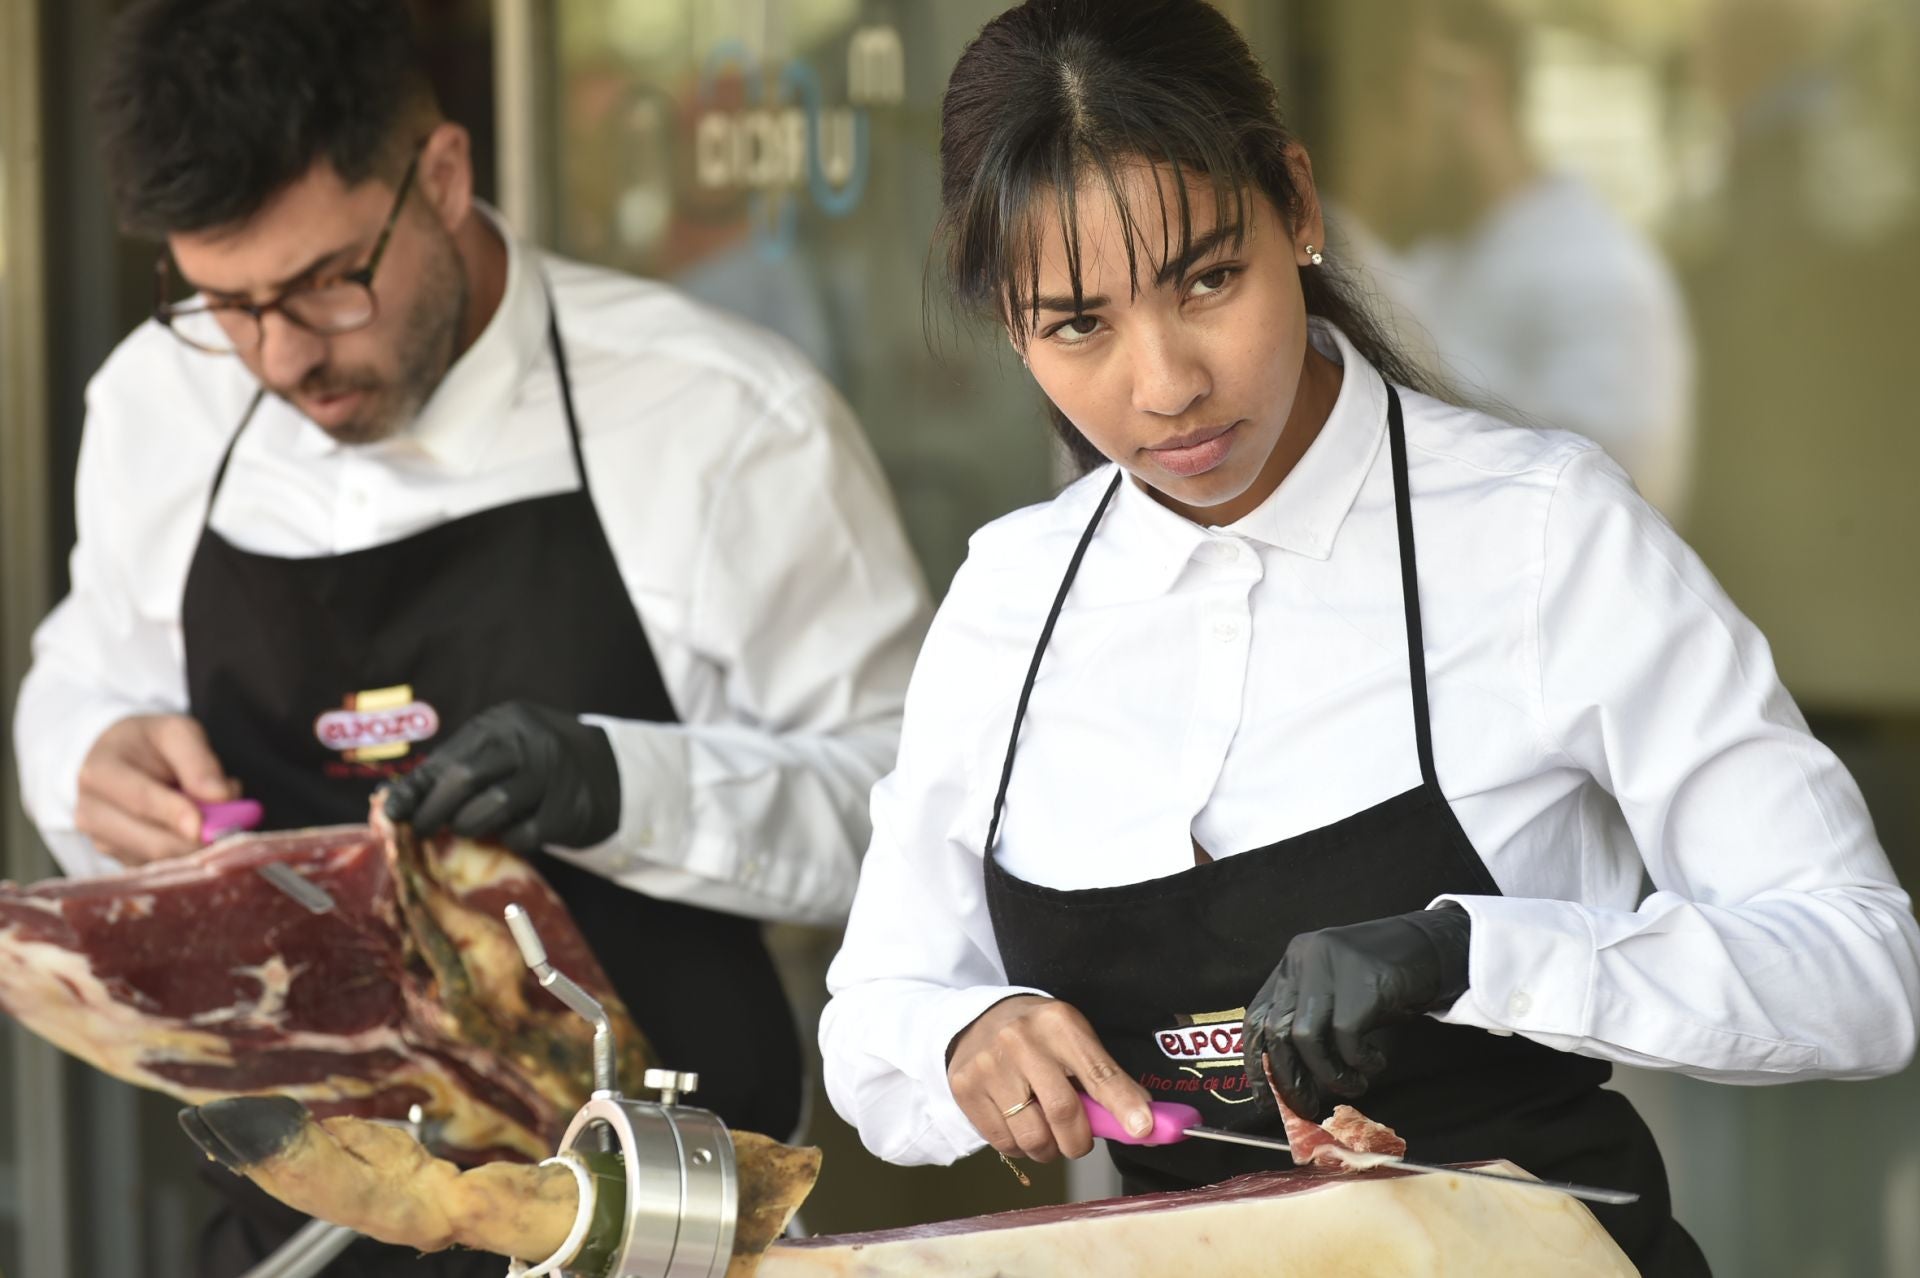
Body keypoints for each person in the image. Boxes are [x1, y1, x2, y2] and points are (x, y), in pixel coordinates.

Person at [815, 3, 1920, 1275]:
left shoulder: (1540, 536)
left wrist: (1474, 952)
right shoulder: (1013, 598)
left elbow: (1858, 971)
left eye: (1208, 279)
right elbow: (873, 1022)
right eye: (1080, 326)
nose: (1165, 381)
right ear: (1011, 325)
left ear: (1296, 207)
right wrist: (971, 1033)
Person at [10, 0, 928, 1274]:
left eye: (330, 282)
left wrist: (623, 784)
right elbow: (82, 665)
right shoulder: (159, 401)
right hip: (302, 1223)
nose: (280, 356)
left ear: (442, 176)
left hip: (657, 1230)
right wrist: (90, 756)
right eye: (228, 302)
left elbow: (909, 814)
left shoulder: (721, 419)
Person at [1326, 0, 1695, 518]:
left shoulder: (1594, 265)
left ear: (1480, 87)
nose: (1413, 121)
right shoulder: (1451, 253)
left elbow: (1623, 484)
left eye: (1430, 82)